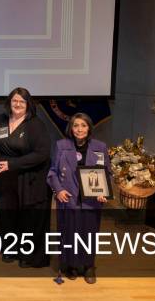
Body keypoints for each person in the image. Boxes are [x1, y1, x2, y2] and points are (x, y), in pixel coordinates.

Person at [0, 87, 52, 268]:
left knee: (28, 218)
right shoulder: (0, 120)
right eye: (14, 100)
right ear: (9, 102)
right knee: (6, 215)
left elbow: (42, 154)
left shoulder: (35, 124)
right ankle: (10, 250)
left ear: (28, 104)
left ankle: (27, 254)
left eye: (22, 101)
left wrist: (13, 164)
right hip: (5, 179)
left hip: (28, 178)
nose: (17, 104)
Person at [47, 113, 111, 284]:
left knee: (88, 234)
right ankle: (71, 266)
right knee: (68, 233)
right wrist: (58, 190)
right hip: (68, 198)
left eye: (83, 125)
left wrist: (104, 191)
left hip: (91, 200)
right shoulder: (61, 146)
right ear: (71, 128)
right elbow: (52, 172)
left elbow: (107, 173)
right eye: (76, 125)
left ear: (89, 127)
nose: (79, 129)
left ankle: (89, 266)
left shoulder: (100, 147)